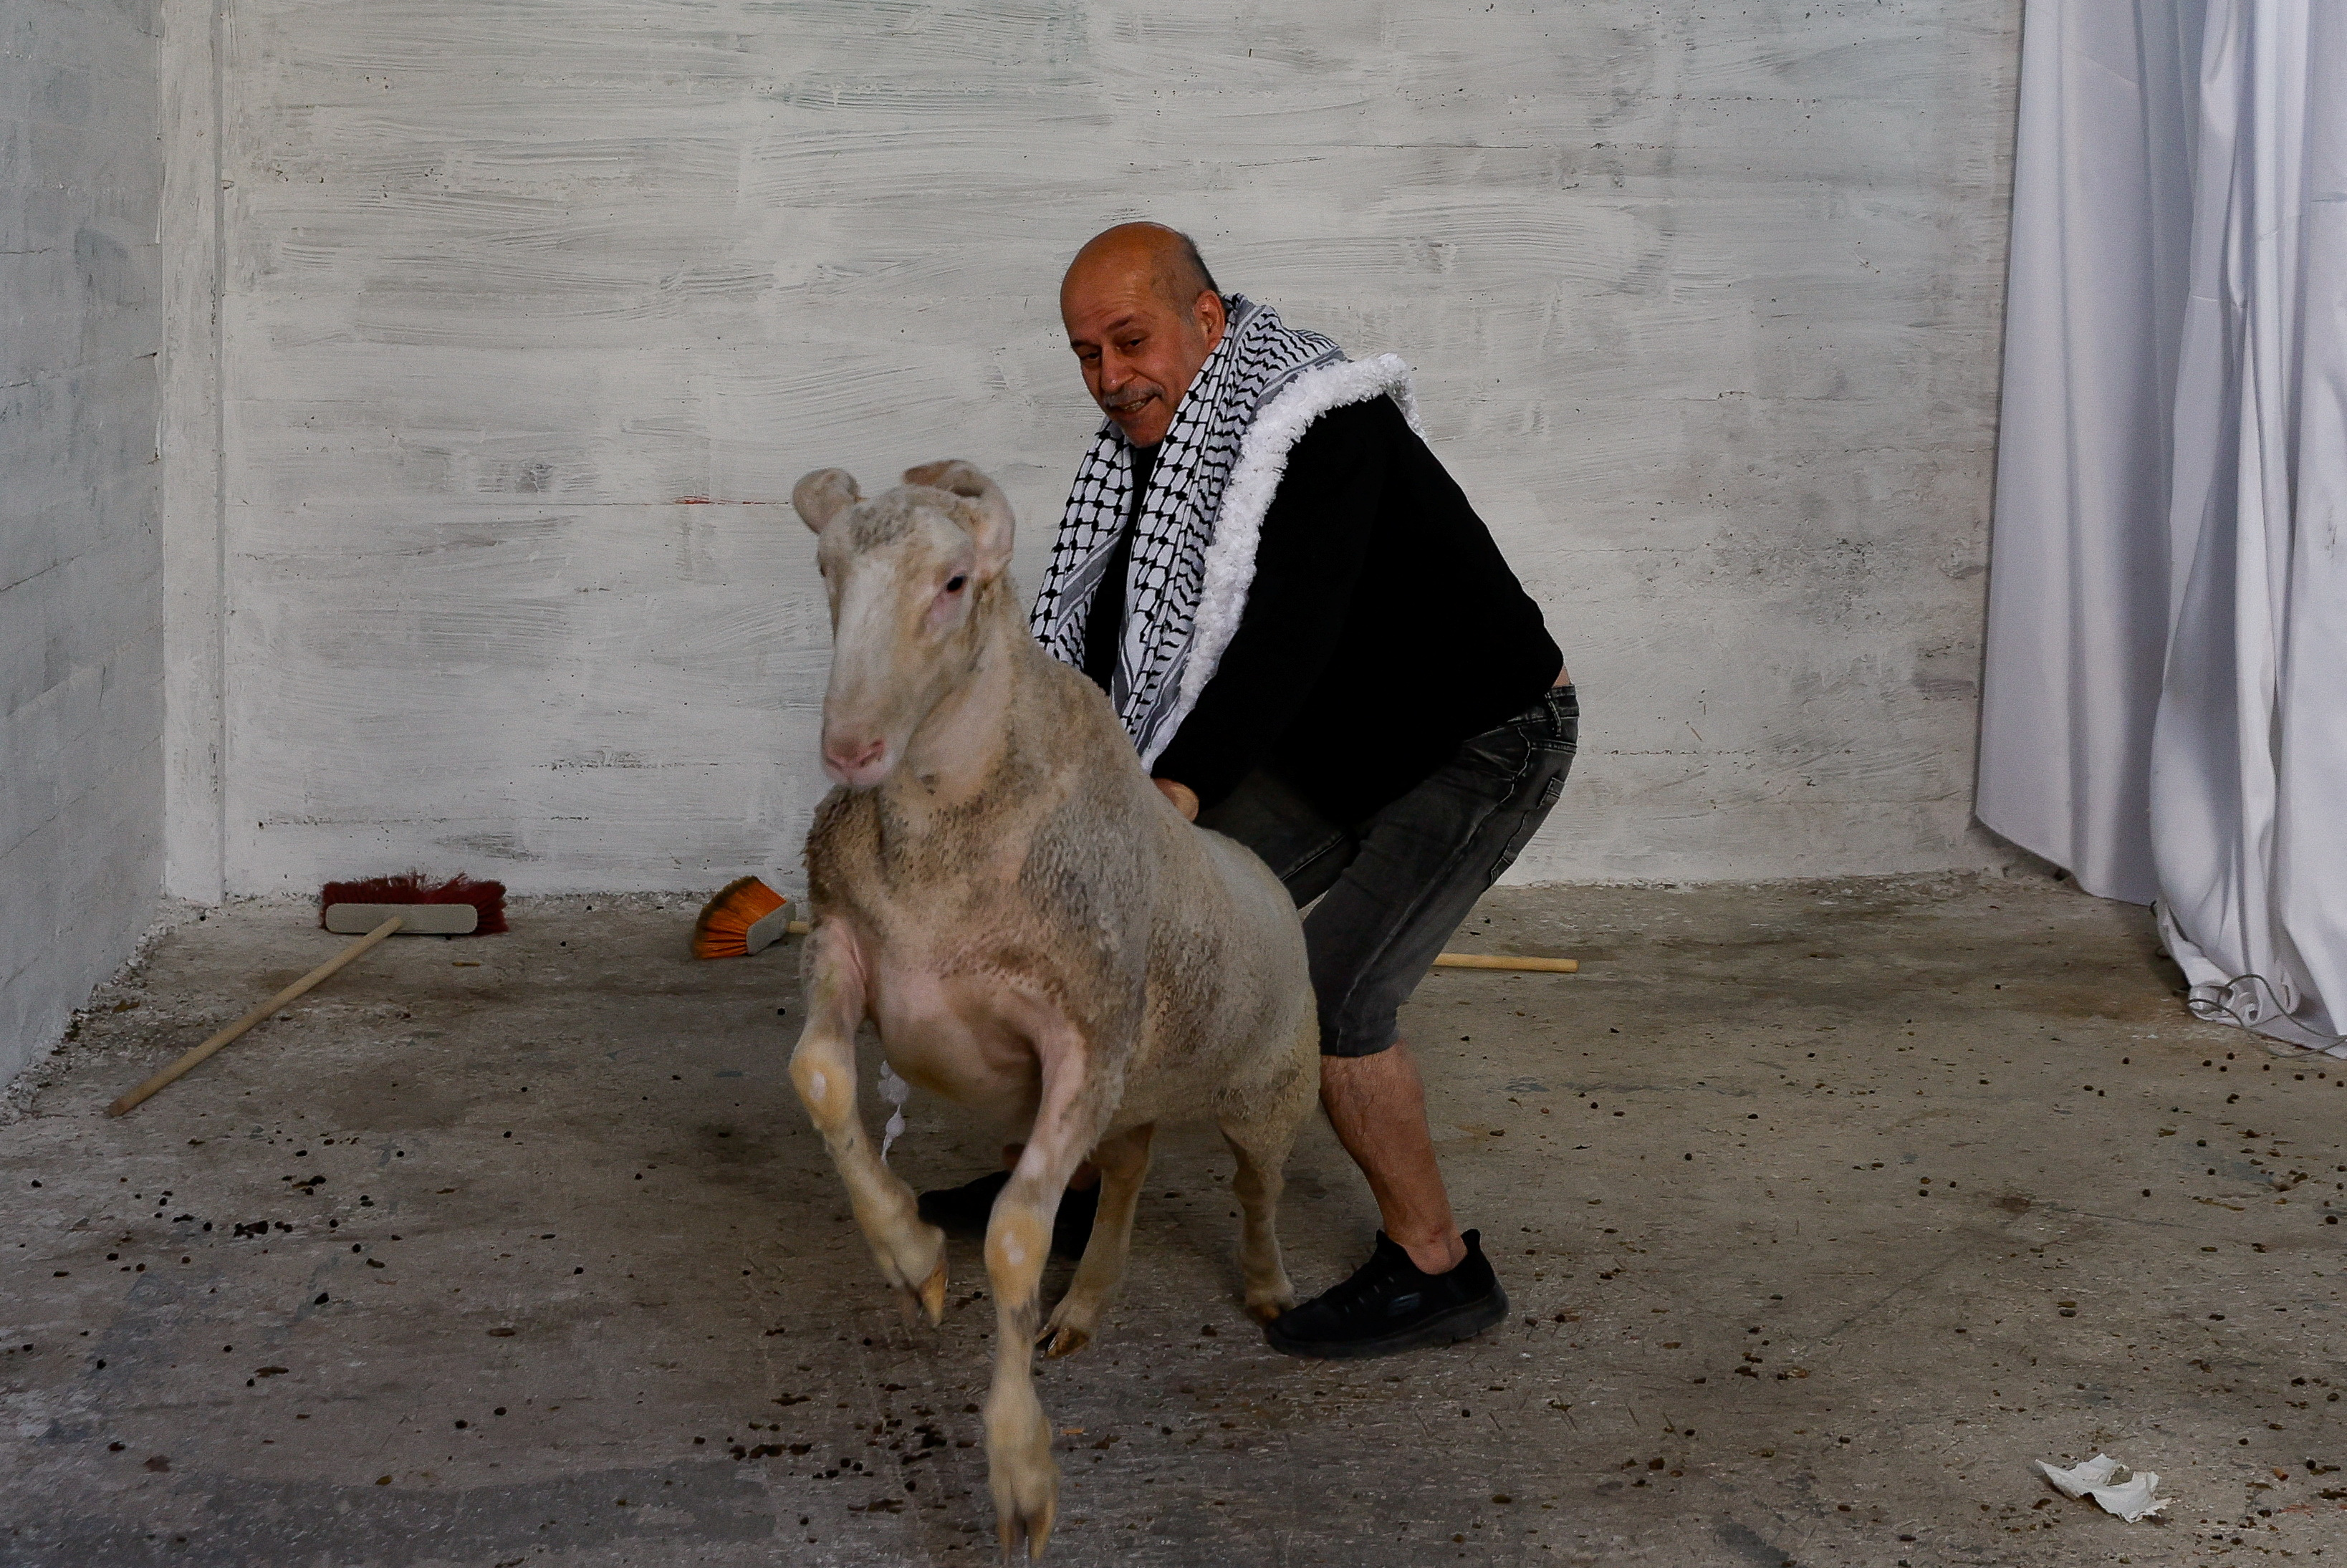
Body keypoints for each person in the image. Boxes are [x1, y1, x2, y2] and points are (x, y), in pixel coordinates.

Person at [918, 221, 1575, 1359]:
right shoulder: (1154, 445)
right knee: (1101, 915)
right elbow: (1113, 620)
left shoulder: (1324, 425)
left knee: (1331, 989)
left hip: (1481, 737)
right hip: (1339, 742)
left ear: (1207, 322)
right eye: (1088, 354)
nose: (1111, 377)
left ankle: (1439, 1265)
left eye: (1131, 340)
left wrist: (1166, 803)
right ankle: (1066, 1181)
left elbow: (1287, 636)